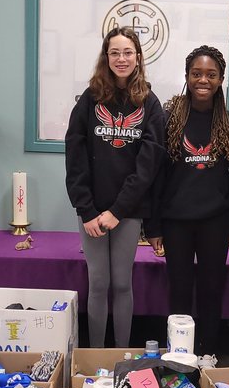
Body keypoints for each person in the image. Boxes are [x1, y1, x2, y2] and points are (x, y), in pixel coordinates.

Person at [65, 26, 165, 347]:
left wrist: (118, 211)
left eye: (127, 52)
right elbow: (75, 157)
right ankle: (95, 357)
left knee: (122, 283)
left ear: (137, 57)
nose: (121, 59)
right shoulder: (90, 100)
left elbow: (148, 165)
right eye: (114, 52)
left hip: (128, 211)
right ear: (105, 57)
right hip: (92, 213)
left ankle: (119, 355)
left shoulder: (149, 103)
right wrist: (88, 210)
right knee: (97, 283)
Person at [147, 45, 229, 369]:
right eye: (197, 74)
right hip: (176, 222)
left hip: (216, 221)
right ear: (187, 77)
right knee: (180, 291)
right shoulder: (168, 119)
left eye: (211, 74)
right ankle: (179, 353)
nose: (203, 79)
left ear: (220, 79)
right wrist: (153, 227)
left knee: (212, 290)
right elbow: (156, 177)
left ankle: (209, 352)